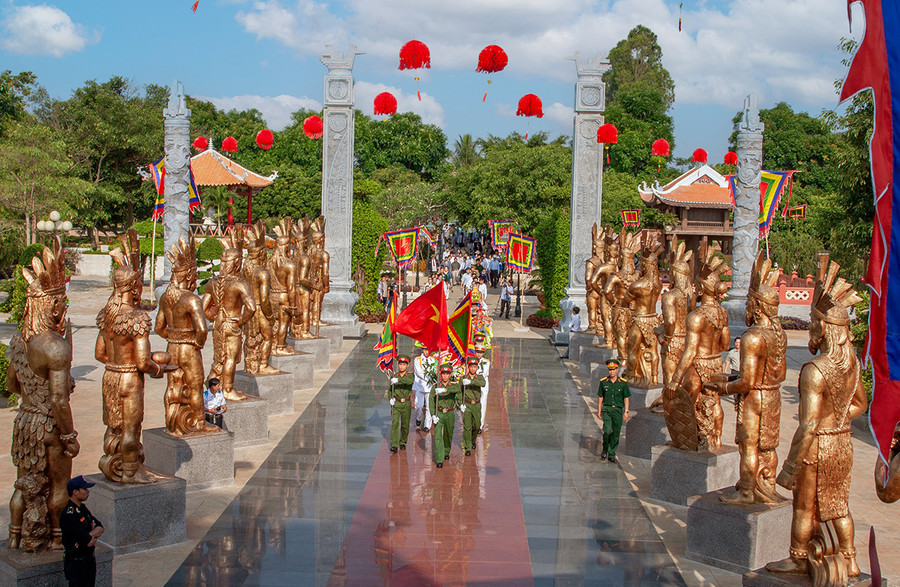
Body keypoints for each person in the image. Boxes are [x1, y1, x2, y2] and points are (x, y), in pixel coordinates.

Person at [60, 475, 103, 587]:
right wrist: (91, 535)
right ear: (75, 492)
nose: (87, 492)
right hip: (77, 564)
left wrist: (90, 534)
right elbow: (88, 542)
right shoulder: (69, 515)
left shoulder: (82, 509)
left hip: (89, 561)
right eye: (84, 489)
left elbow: (100, 527)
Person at [597, 359, 630, 464]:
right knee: (607, 430)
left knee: (616, 432)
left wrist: (626, 411)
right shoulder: (603, 382)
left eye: (613, 369)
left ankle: (611, 453)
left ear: (617, 370)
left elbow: (626, 397)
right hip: (607, 409)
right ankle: (605, 449)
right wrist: (599, 409)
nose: (611, 372)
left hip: (617, 410)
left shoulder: (623, 384)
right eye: (610, 370)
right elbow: (600, 396)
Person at [429, 364, 461, 468]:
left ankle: (446, 451)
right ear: (440, 375)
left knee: (448, 434)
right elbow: (431, 402)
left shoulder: (453, 386)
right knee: (438, 436)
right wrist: (433, 415)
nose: (445, 376)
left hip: (450, 413)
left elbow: (458, 388)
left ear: (450, 375)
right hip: (439, 413)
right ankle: (439, 458)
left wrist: (445, 390)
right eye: (443, 374)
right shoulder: (435, 387)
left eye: (447, 374)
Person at [388, 355, 414, 453]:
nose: (401, 367)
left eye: (404, 365)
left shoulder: (410, 376)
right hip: (396, 403)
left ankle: (403, 441)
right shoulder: (394, 376)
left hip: (406, 403)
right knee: (394, 423)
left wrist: (398, 380)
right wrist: (390, 398)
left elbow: (409, 381)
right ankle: (394, 444)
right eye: (400, 364)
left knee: (405, 424)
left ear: (407, 365)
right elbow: (390, 390)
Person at [460, 357, 487, 455]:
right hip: (467, 404)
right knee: (467, 427)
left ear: (477, 368)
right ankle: (467, 447)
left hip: (476, 405)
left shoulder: (479, 377)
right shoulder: (463, 378)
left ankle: (472, 440)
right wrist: (460, 404)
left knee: (477, 425)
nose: (472, 369)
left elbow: (483, 384)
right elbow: (459, 392)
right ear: (468, 367)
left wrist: (471, 382)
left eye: (475, 367)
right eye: (471, 367)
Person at [413, 348, 436, 432]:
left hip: (429, 387)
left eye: (428, 350)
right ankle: (419, 418)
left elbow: (435, 370)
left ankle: (427, 425)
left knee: (429, 406)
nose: (427, 352)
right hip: (420, 385)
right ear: (422, 350)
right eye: (425, 350)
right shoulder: (417, 359)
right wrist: (428, 378)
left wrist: (434, 379)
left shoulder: (433, 360)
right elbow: (418, 372)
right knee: (418, 406)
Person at [473, 345, 491, 432]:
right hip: (474, 385)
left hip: (483, 385)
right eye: (477, 352)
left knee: (482, 405)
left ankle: (480, 425)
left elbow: (483, 373)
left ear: (483, 353)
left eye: (480, 353)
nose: (478, 354)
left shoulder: (486, 362)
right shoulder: (472, 361)